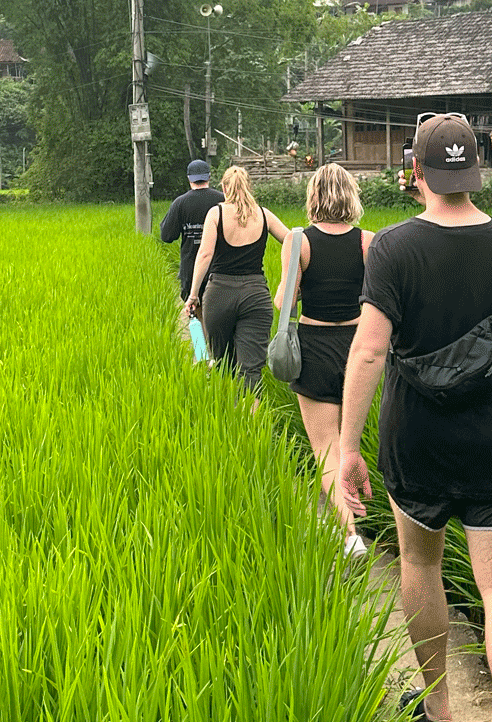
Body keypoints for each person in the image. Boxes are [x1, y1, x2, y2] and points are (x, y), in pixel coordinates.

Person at [336, 114, 492, 722]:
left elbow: (368, 351)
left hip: (418, 435)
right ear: (477, 169)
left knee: (420, 566)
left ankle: (438, 706)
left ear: (416, 172)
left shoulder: (393, 248)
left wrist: (346, 446)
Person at [278, 163, 372, 563]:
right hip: (357, 348)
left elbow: (284, 301)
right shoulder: (369, 241)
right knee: (350, 443)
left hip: (314, 345)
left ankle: (350, 536)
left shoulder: (299, 240)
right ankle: (348, 524)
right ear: (350, 196)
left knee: (325, 447)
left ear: (314, 196)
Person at [182, 165, 291, 395]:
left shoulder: (216, 213)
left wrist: (193, 295)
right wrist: (289, 279)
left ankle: (229, 419)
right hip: (256, 297)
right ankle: (252, 424)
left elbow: (204, 255)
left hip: (219, 295)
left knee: (223, 365)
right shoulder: (264, 214)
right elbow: (292, 241)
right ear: (249, 187)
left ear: (224, 188)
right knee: (251, 371)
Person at [159, 158, 225, 305]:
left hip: (191, 269)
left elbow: (167, 236)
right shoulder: (223, 200)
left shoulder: (180, 202)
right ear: (209, 177)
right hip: (221, 269)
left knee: (196, 313)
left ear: (189, 179)